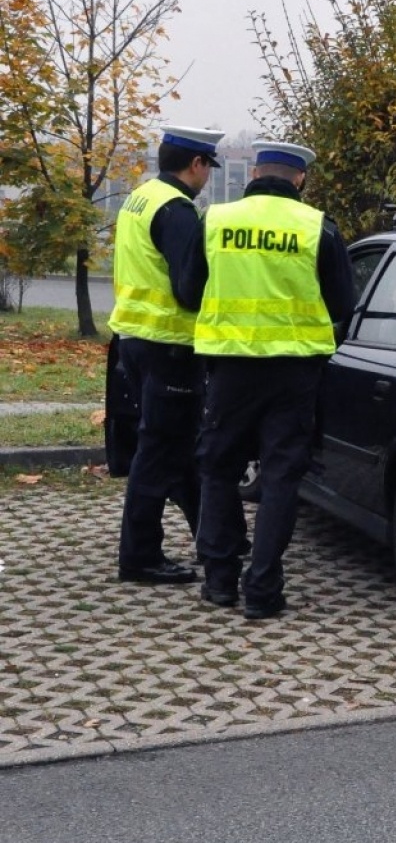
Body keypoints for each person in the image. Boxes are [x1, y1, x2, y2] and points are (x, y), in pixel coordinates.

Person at [176, 139, 356, 619]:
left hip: (230, 368)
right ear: (300, 179)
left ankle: (218, 581)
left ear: (255, 172)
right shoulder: (317, 227)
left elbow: (188, 292)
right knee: (280, 476)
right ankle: (262, 589)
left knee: (217, 468)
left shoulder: (215, 220)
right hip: (295, 372)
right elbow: (342, 306)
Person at [108, 125, 222, 585]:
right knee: (158, 453)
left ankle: (211, 535)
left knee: (176, 446)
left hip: (135, 340)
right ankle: (140, 558)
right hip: (169, 345)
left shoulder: (141, 197)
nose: (208, 177)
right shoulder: (177, 212)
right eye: (208, 168)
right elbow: (189, 288)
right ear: (195, 165)